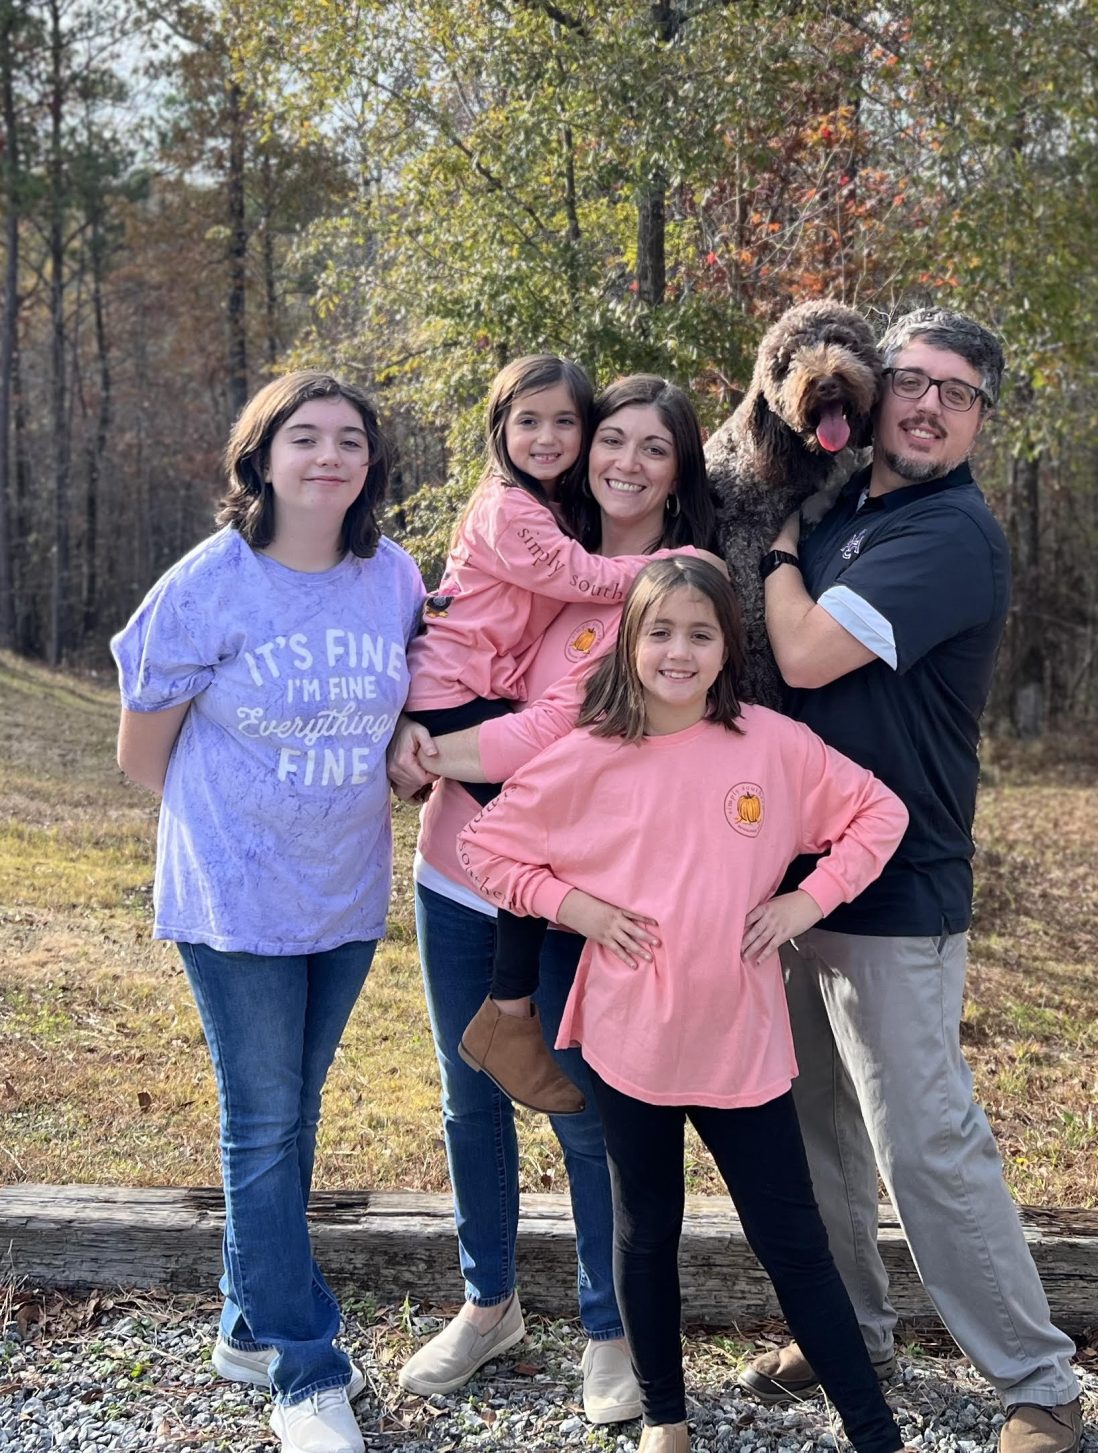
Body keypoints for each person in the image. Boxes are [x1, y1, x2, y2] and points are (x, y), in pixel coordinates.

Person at [456, 558, 911, 1453]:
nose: (678, 650)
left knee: (795, 1243)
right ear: (628, 643)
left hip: (741, 1043)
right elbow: (487, 845)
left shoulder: (772, 747)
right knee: (646, 1228)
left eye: (700, 633)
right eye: (659, 631)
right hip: (632, 1041)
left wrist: (805, 901)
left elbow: (879, 813)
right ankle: (665, 1416)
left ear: (727, 649)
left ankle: (874, 1430)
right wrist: (579, 908)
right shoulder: (586, 755)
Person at [745, 307, 1083, 1453]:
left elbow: (803, 652)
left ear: (981, 419)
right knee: (812, 1126)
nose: (929, 403)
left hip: (896, 885)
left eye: (958, 392)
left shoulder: (950, 532)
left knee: (922, 1140)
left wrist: (780, 552)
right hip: (788, 876)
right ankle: (852, 1328)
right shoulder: (851, 507)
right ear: (875, 391)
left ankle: (1040, 1385)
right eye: (913, 380)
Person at [389, 376, 717, 1426]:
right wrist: (407, 716)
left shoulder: (673, 588)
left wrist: (430, 748)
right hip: (460, 867)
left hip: (583, 892)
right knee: (469, 1091)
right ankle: (490, 1303)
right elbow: (449, 642)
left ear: (681, 466)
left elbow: (555, 731)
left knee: (581, 1102)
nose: (624, 461)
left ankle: (608, 1323)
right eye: (608, 438)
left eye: (650, 447)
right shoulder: (535, 540)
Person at [112, 371, 425, 1453]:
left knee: (292, 1116)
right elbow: (141, 753)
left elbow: (395, 715)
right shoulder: (212, 581)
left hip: (343, 895)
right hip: (237, 898)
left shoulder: (392, 578)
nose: (330, 456)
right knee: (263, 1121)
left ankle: (247, 1325)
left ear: (370, 464)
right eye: (306, 437)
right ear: (264, 456)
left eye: (350, 439)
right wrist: (245, 821)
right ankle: (304, 1367)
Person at [405, 354, 677, 1116]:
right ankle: (510, 1015)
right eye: (529, 421)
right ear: (499, 430)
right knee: (525, 833)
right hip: (451, 707)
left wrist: (426, 754)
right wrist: (665, 568)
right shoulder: (514, 512)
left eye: (566, 421)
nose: (550, 437)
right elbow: (583, 579)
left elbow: (555, 720)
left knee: (528, 837)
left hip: (462, 709)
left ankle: (511, 1015)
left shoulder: (548, 514)